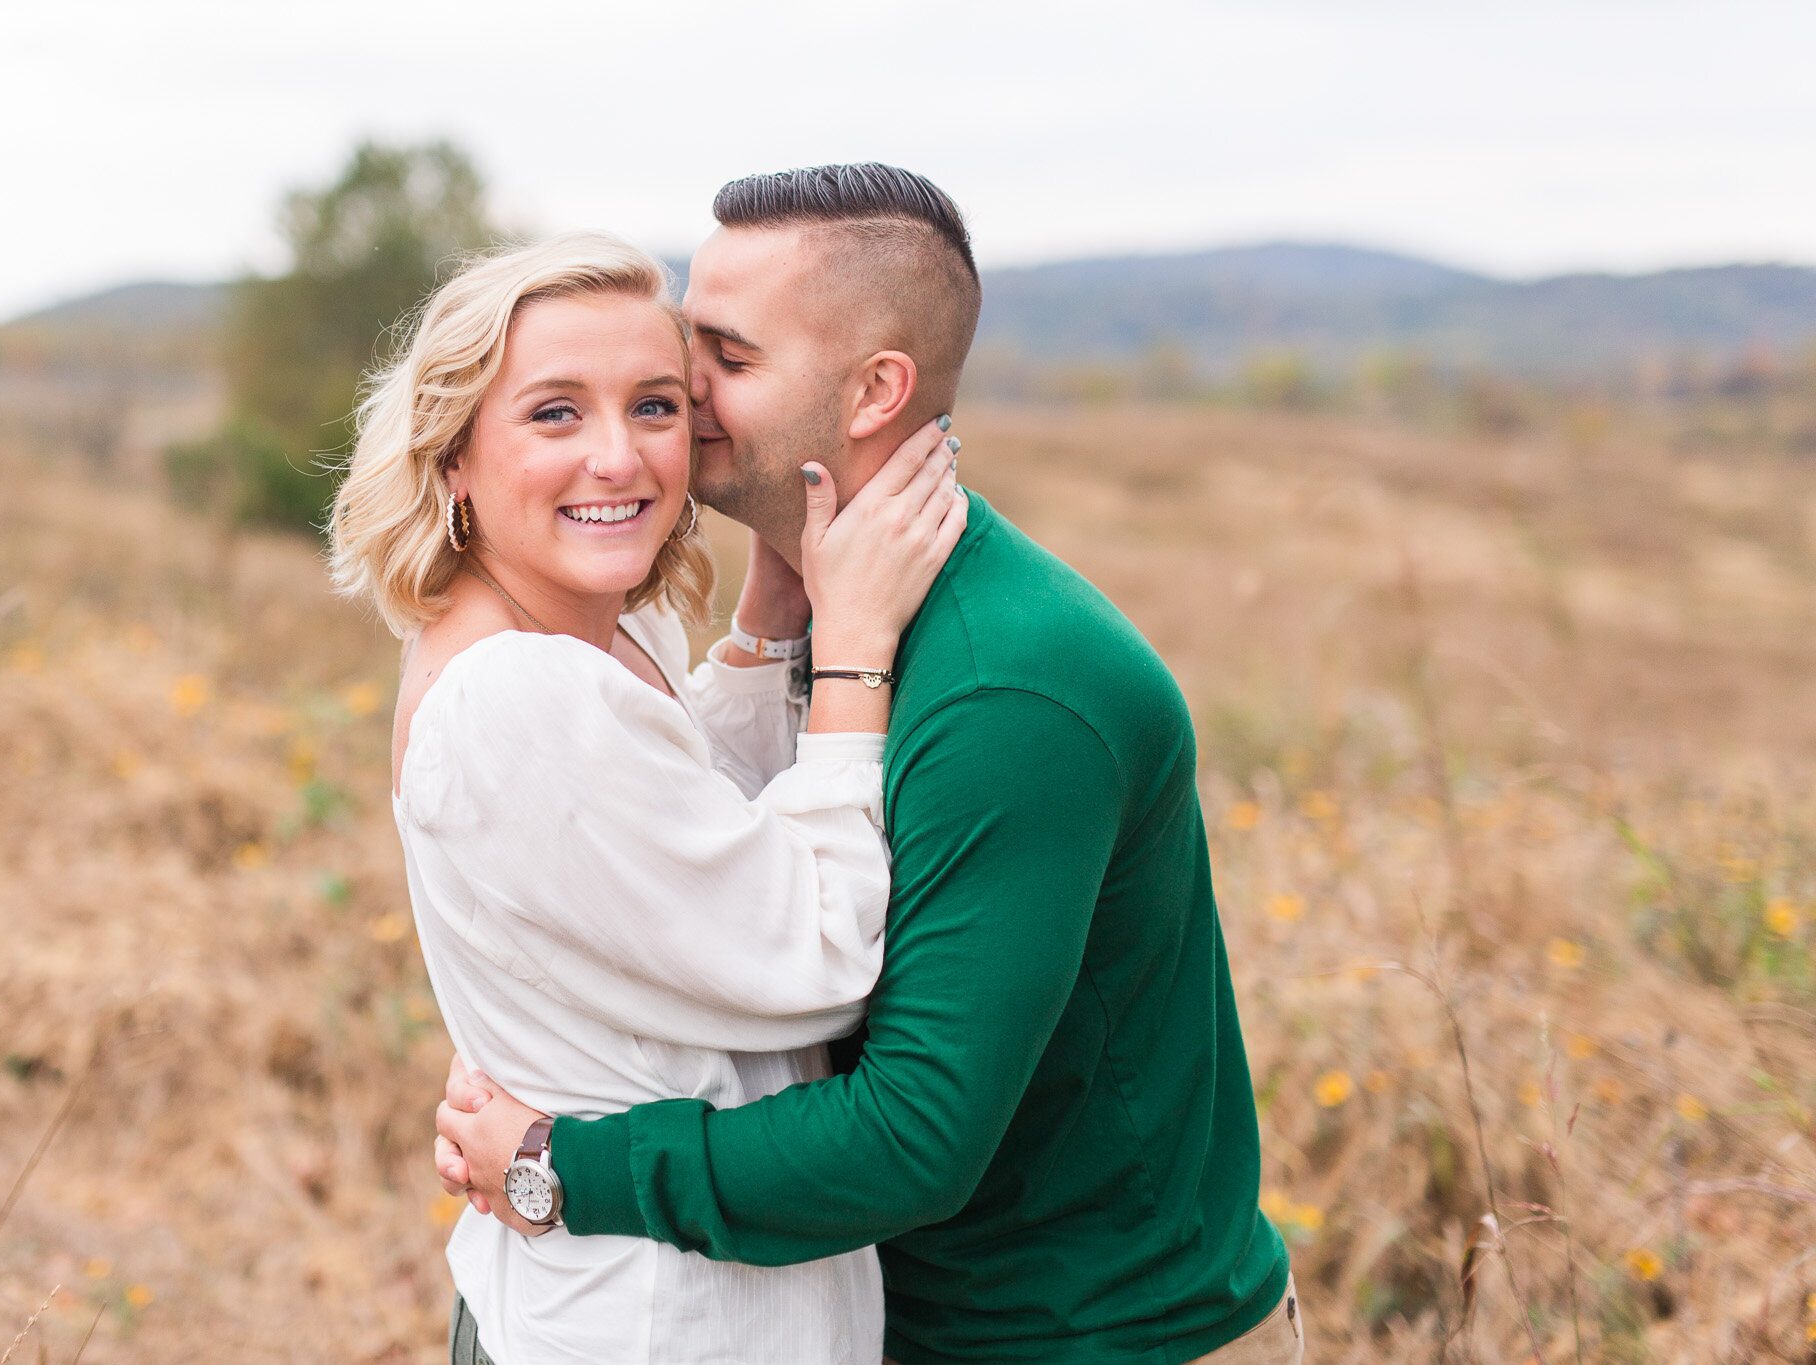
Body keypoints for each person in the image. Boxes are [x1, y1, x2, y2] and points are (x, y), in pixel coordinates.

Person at [436, 166, 1303, 1364]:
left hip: (1080, 1337)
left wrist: (559, 1164)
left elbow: (908, 1137)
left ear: (872, 392)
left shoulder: (1011, 686)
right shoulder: (822, 617)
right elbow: (687, 868)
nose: (681, 390)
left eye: (725, 358)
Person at [326, 232, 967, 1364]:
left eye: (656, 406)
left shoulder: (596, 634)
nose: (617, 458)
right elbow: (812, 955)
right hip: (656, 1324)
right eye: (554, 414)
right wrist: (855, 649)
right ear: (453, 457)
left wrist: (767, 623)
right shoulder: (515, 695)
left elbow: (681, 813)